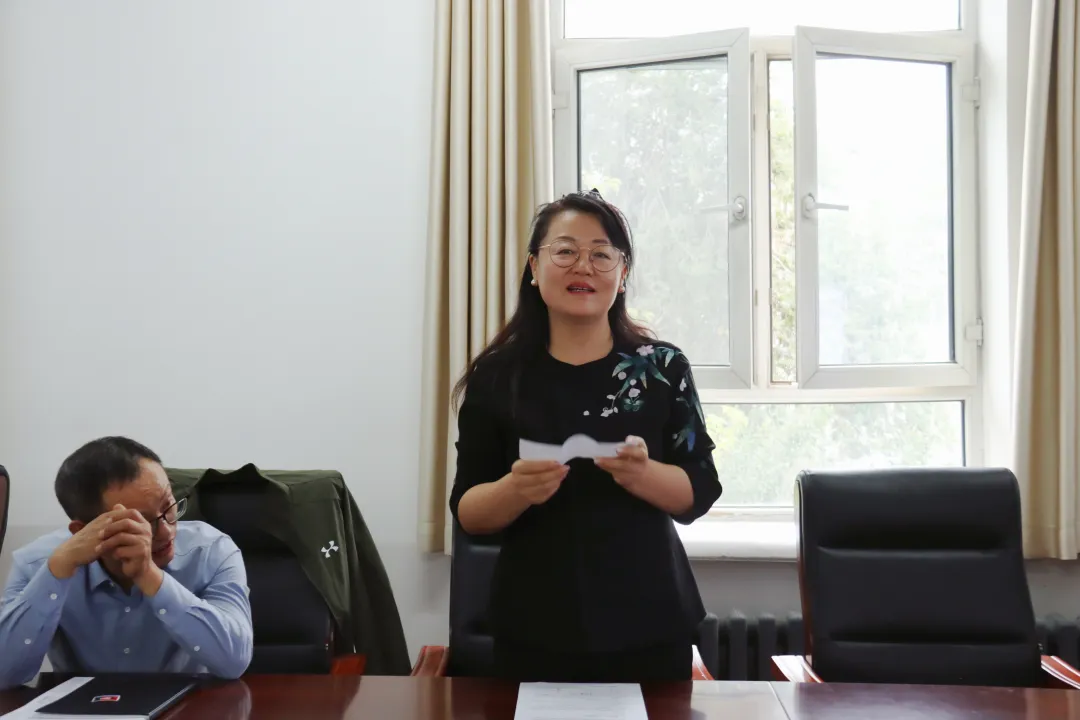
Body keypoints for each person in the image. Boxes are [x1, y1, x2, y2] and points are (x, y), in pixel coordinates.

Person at [450, 189, 723, 683]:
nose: (583, 267)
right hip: (532, 624)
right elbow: (468, 512)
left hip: (650, 619)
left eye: (601, 254)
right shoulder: (498, 376)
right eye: (565, 251)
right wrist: (515, 490)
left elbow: (699, 491)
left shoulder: (662, 369)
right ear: (535, 268)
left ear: (623, 274)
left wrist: (643, 475)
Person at [0, 437, 253, 690]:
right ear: (83, 530)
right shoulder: (37, 564)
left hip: (188, 704)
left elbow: (234, 661)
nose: (166, 532)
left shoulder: (212, 551)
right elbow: (4, 675)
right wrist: (55, 575)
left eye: (168, 505)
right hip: (84, 705)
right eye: (141, 522)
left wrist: (150, 576)